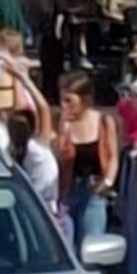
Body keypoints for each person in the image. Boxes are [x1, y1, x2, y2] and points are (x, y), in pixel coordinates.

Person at [56, 70, 120, 252]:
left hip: (93, 190)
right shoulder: (64, 123)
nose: (64, 106)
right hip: (68, 191)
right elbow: (60, 158)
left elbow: (113, 157)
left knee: (91, 247)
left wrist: (107, 182)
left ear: (84, 99)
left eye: (69, 101)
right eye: (62, 100)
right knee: (65, 248)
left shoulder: (104, 121)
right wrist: (62, 130)